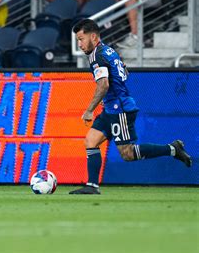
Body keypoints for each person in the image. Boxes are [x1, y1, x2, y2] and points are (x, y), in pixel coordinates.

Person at [69, 19, 192, 194]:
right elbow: (124, 72)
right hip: (111, 108)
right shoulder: (108, 50)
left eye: (81, 39)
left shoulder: (98, 56)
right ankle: (92, 186)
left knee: (127, 154)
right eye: (78, 40)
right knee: (91, 141)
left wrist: (89, 110)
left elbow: (103, 85)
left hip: (120, 109)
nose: (79, 44)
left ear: (93, 36)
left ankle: (172, 149)